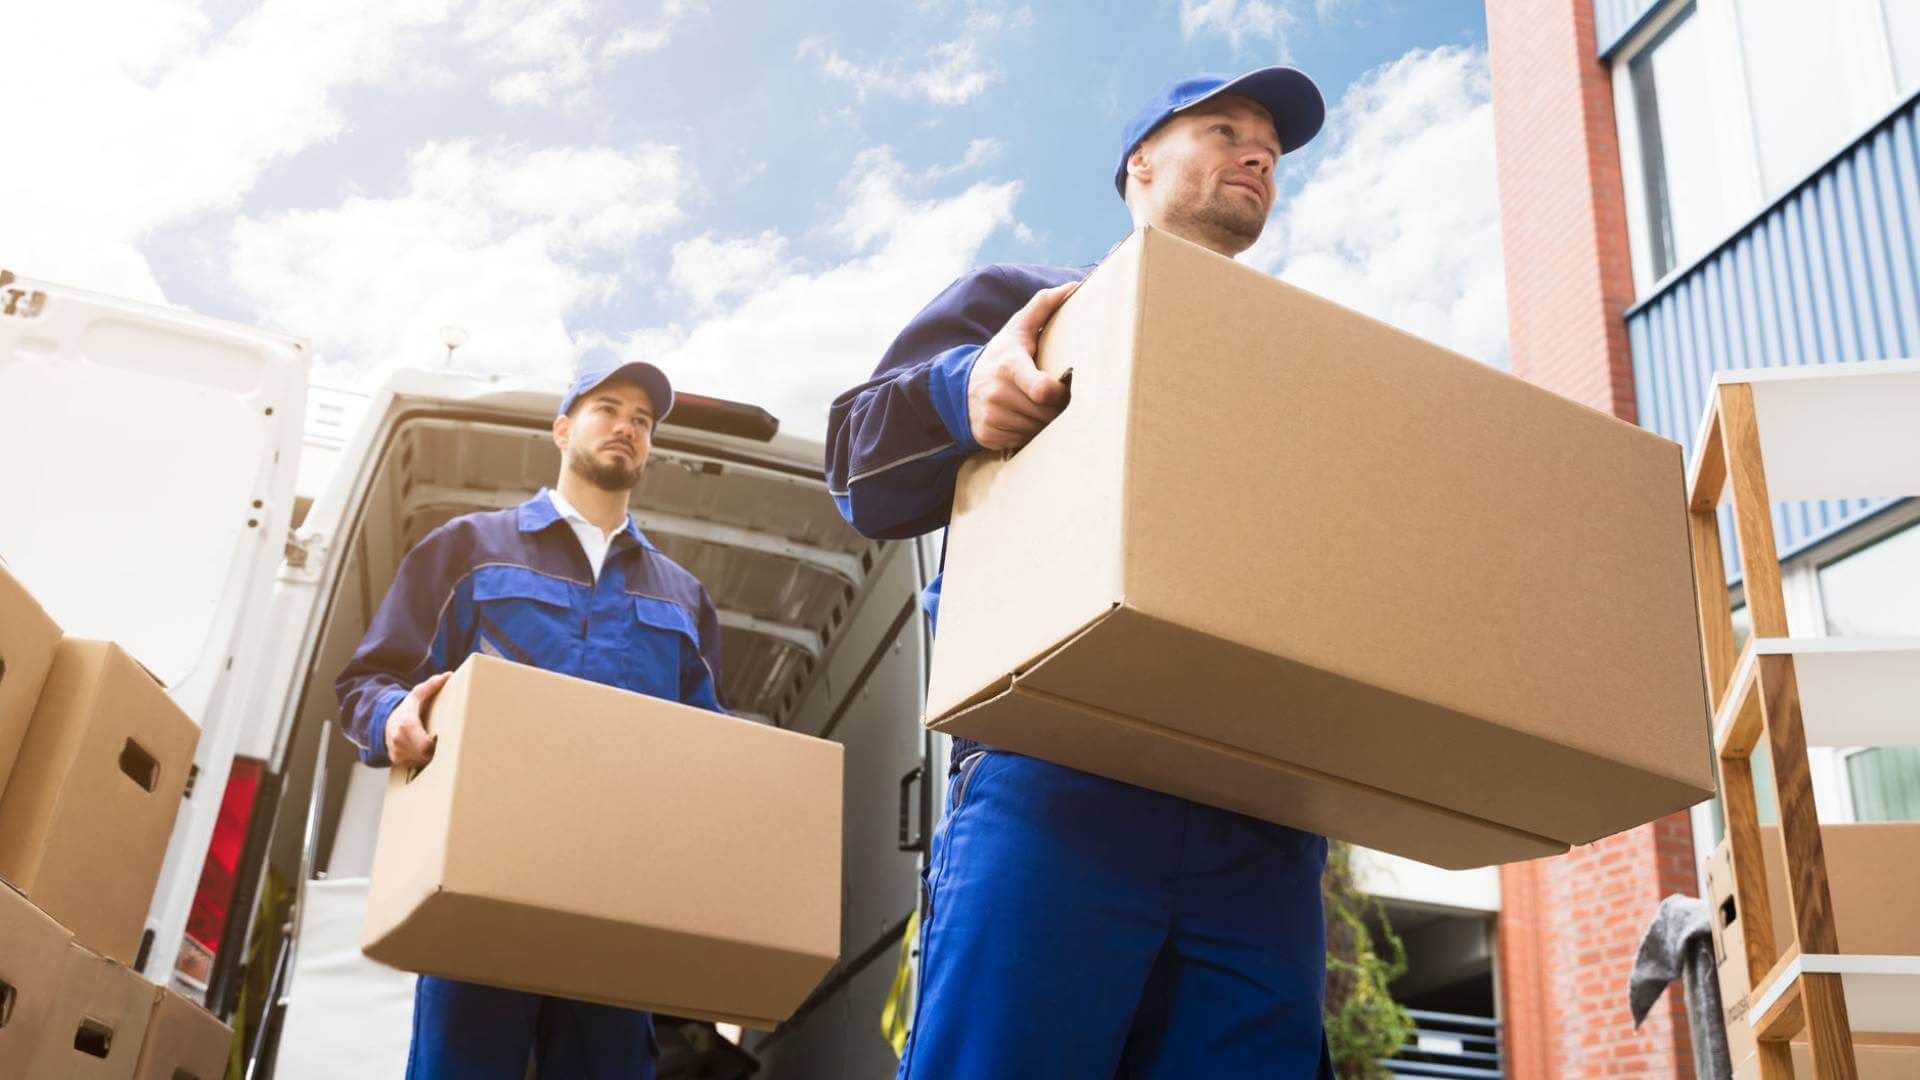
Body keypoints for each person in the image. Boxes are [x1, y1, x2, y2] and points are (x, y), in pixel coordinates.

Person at [826, 68, 1337, 1078]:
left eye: (1270, 151)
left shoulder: (1304, 370)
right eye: (1226, 129)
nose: (1257, 154)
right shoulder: (1030, 306)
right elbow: (854, 468)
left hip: (1265, 830)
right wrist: (958, 392)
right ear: (1138, 163)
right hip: (1059, 791)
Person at [336, 359, 724, 1080]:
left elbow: (708, 751)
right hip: (480, 884)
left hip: (616, 902)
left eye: (643, 421)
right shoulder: (470, 549)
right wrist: (394, 718)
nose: (627, 428)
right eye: (609, 408)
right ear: (562, 427)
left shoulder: (682, 597)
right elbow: (369, 680)